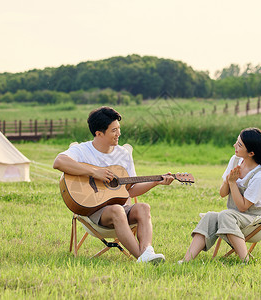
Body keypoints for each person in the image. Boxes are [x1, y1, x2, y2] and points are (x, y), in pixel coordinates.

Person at [53, 106, 174, 263]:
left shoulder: (123, 154)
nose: (119, 134)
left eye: (119, 129)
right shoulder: (82, 150)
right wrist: (95, 172)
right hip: (92, 210)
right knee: (117, 210)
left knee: (143, 208)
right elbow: (59, 162)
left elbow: (130, 190)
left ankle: (147, 251)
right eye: (114, 130)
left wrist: (156, 182)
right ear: (99, 133)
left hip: (120, 209)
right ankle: (143, 258)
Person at [181, 127, 261, 263]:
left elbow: (243, 207)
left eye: (239, 144)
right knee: (210, 217)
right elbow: (222, 193)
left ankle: (245, 261)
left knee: (225, 214)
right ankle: (186, 260)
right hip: (234, 217)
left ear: (251, 153)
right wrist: (229, 181)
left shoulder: (260, 176)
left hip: (256, 221)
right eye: (237, 142)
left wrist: (232, 182)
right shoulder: (235, 160)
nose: (235, 146)